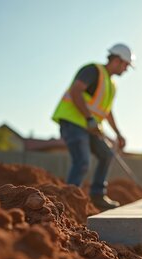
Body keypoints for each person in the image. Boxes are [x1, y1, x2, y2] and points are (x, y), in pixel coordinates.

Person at [52, 44, 134, 210]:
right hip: (73, 122)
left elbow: (107, 112)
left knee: (106, 154)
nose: (126, 70)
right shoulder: (92, 70)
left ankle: (97, 195)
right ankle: (68, 201)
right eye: (126, 65)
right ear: (117, 60)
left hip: (90, 127)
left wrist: (118, 134)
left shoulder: (111, 84)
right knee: (82, 161)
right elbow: (76, 91)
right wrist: (89, 118)